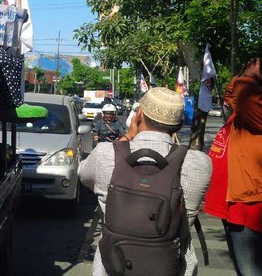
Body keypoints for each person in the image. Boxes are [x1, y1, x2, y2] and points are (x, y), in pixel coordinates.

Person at [78, 87, 212, 276]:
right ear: (180, 125)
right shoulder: (199, 163)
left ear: (138, 115)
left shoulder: (105, 154)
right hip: (173, 267)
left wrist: (127, 137)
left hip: (112, 267)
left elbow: (83, 174)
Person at [205, 58, 262, 276]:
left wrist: (249, 77)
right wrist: (245, 77)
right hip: (237, 204)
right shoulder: (250, 114)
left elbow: (240, 93)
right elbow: (232, 95)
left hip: (251, 208)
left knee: (254, 272)